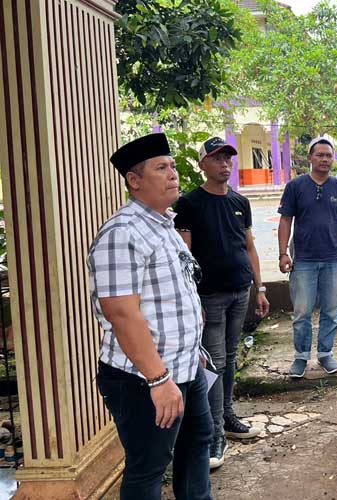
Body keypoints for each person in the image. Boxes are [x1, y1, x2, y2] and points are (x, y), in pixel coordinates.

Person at [88, 133, 212, 500]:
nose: (173, 173)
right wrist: (158, 380)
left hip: (187, 367)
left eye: (172, 166)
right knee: (149, 468)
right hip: (144, 379)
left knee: (196, 447)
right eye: (162, 168)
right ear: (134, 180)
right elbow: (122, 314)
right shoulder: (121, 233)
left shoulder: (163, 224)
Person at [173, 137, 270, 469]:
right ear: (203, 164)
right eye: (216, 159)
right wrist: (192, 298)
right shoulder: (189, 204)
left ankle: (226, 416)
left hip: (240, 290)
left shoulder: (240, 201)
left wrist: (260, 287)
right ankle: (213, 433)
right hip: (209, 297)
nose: (225, 164)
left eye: (228, 158)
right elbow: (184, 257)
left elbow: (250, 247)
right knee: (213, 363)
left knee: (229, 358)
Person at [277, 136, 337, 378]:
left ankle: (325, 354)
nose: (324, 159)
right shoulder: (296, 186)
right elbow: (285, 220)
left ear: (333, 159)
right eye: (319, 155)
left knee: (332, 310)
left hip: (333, 258)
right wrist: (282, 254)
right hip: (303, 260)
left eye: (328, 155)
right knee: (302, 311)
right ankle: (301, 357)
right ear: (310, 158)